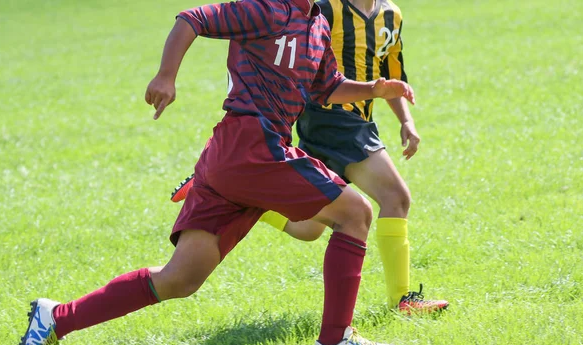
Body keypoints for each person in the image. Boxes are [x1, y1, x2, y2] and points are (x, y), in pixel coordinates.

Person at [18, 0, 417, 345]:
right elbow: (193, 19)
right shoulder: (267, 8)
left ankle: (57, 318)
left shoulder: (316, 22)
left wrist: (373, 90)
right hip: (252, 144)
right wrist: (166, 76)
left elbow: (326, 86)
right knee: (356, 213)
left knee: (180, 279)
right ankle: (335, 341)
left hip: (234, 157)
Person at [171, 0, 449, 315]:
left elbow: (389, 74)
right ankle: (402, 300)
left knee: (309, 229)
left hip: (353, 119)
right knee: (395, 197)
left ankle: (243, 196)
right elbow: (305, 64)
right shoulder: (324, 8)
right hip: (334, 121)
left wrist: (406, 121)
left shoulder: (391, 15)